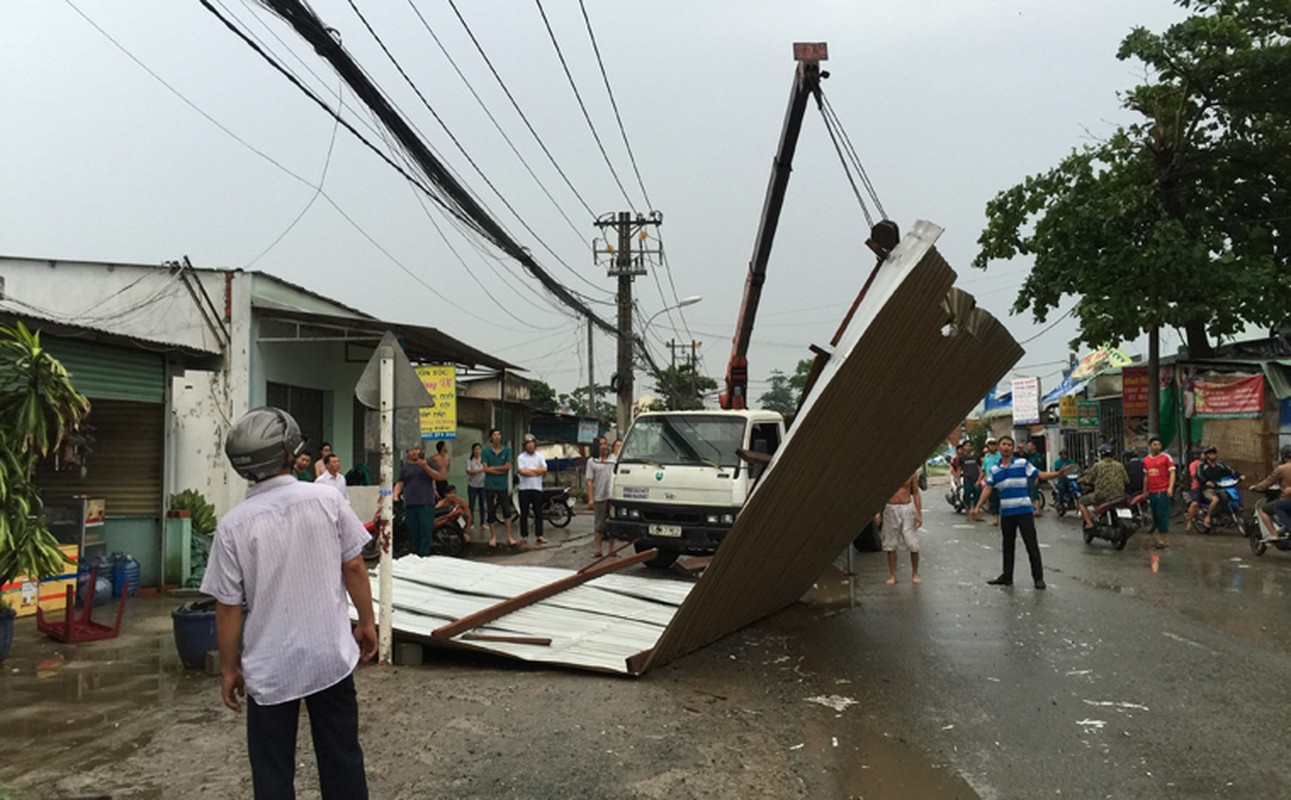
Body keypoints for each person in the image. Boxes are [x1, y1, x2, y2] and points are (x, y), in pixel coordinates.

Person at [201, 407, 376, 799]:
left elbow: (227, 606)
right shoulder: (326, 500)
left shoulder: (233, 526)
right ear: (289, 453)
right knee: (342, 757)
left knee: (272, 772)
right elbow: (355, 568)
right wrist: (367, 622)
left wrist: (229, 669)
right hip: (329, 656)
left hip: (270, 670)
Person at [973, 435, 1071, 589]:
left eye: (1009, 445)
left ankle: (1038, 578)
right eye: (1003, 444)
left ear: (1012, 449)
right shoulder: (994, 469)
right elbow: (988, 488)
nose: (1006, 447)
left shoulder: (1022, 463)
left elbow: (1039, 474)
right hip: (1006, 513)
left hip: (1024, 511)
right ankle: (1007, 576)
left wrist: (1057, 474)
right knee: (1008, 546)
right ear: (999, 448)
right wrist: (978, 506)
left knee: (1031, 545)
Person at [393, 444, 447, 557]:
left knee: (425, 530)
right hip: (410, 504)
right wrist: (395, 494)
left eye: (416, 450)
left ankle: (424, 554)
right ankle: (414, 554)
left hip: (426, 503)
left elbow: (438, 477)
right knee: (413, 531)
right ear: (407, 452)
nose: (414, 452)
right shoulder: (405, 467)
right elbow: (400, 482)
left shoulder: (429, 463)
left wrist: (425, 467)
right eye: (411, 450)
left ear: (420, 451)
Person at [876, 472, 922, 585]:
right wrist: (878, 512)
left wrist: (918, 513)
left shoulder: (911, 473)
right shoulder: (888, 472)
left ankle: (915, 573)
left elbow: (916, 493)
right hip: (891, 507)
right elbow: (880, 493)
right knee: (890, 543)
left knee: (912, 544)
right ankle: (892, 575)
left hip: (907, 507)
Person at [1077, 444, 1130, 530]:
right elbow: (1126, 480)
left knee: (1081, 502)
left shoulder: (1098, 465)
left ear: (1101, 454)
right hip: (1119, 495)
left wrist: (1080, 480)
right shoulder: (1120, 465)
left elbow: (1089, 479)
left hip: (1101, 496)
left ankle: (1089, 524)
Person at [481, 429, 517, 548]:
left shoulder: (507, 450)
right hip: (489, 485)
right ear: (491, 438)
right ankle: (493, 536)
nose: (497, 437)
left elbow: (508, 467)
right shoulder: (486, 451)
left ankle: (509, 536)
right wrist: (499, 469)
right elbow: (485, 469)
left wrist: (493, 469)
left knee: (506, 510)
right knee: (490, 511)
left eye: (499, 434)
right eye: (495, 435)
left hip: (502, 485)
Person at [1141, 437, 1176, 549]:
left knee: (1162, 515)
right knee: (1155, 515)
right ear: (1150, 446)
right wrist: (1145, 491)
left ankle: (1164, 539)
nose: (1157, 446)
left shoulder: (1166, 458)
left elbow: (1172, 473)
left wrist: (1170, 488)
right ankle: (1159, 538)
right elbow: (1146, 476)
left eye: (1159, 444)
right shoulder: (1146, 460)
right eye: (1154, 444)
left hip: (1162, 490)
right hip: (1152, 491)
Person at [1197, 445, 1244, 530]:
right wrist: (1206, 482)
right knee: (1216, 500)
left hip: (1221, 486)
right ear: (1207, 455)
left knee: (1229, 497)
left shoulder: (1220, 464)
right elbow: (1199, 476)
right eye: (1210, 453)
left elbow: (1230, 471)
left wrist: (1239, 475)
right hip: (1208, 489)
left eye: (1214, 453)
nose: (1213, 455)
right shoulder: (1202, 466)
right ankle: (1207, 517)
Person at [1250, 445, 1291, 539]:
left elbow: (1268, 482)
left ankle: (1273, 534)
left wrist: (1255, 487)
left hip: (1287, 500)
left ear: (1283, 456)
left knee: (1263, 510)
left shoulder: (1281, 469)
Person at [585, 435, 616, 557]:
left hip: (612, 496)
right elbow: (589, 481)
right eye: (601, 444)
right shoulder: (592, 461)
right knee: (599, 525)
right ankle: (598, 550)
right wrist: (590, 498)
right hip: (599, 496)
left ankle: (611, 550)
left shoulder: (613, 459)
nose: (604, 446)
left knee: (612, 524)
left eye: (605, 444)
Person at [516, 433, 548, 545]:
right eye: (527, 443)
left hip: (536, 488)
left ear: (535, 444)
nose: (530, 445)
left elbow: (544, 469)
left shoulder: (540, 456)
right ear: (524, 445)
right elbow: (522, 471)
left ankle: (539, 535)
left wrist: (530, 471)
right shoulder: (521, 457)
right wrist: (536, 471)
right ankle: (524, 536)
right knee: (523, 513)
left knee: (538, 513)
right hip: (524, 488)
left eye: (531, 443)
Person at [978, 437, 1002, 524]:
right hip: (990, 483)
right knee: (993, 501)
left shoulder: (1000, 456)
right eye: (990, 445)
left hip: (1000, 482)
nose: (992, 447)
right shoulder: (986, 457)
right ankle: (995, 518)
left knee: (1002, 501)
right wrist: (979, 480)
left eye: (994, 445)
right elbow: (983, 470)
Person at [465, 443, 487, 533]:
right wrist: (480, 470)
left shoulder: (484, 460)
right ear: (473, 450)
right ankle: (471, 522)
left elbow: (488, 469)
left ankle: (483, 523)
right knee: (472, 505)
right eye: (476, 449)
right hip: (472, 486)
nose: (477, 451)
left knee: (483, 505)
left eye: (479, 449)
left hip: (483, 486)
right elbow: (469, 471)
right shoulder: (470, 460)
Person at [959, 441, 982, 519]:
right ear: (964, 447)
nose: (968, 447)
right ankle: (968, 512)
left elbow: (980, 468)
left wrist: (980, 479)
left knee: (977, 495)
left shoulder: (976, 456)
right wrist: (958, 481)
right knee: (967, 495)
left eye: (969, 446)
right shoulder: (962, 458)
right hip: (967, 479)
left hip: (976, 479)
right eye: (966, 446)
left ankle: (976, 512)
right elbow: (958, 470)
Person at [1185, 449, 1205, 530]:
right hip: (1197, 486)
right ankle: (1189, 522)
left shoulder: (1210, 464)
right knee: (1195, 504)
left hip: (1210, 486)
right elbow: (1193, 474)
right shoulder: (1194, 464)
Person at [1024, 440, 1045, 516]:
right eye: (1027, 446)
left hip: (1034, 477)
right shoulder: (1028, 456)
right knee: (1029, 494)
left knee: (1035, 493)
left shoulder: (1037, 456)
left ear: (1034, 446)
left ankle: (1038, 511)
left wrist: (1037, 478)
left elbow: (1039, 468)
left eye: (1029, 446)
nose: (1028, 447)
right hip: (1028, 477)